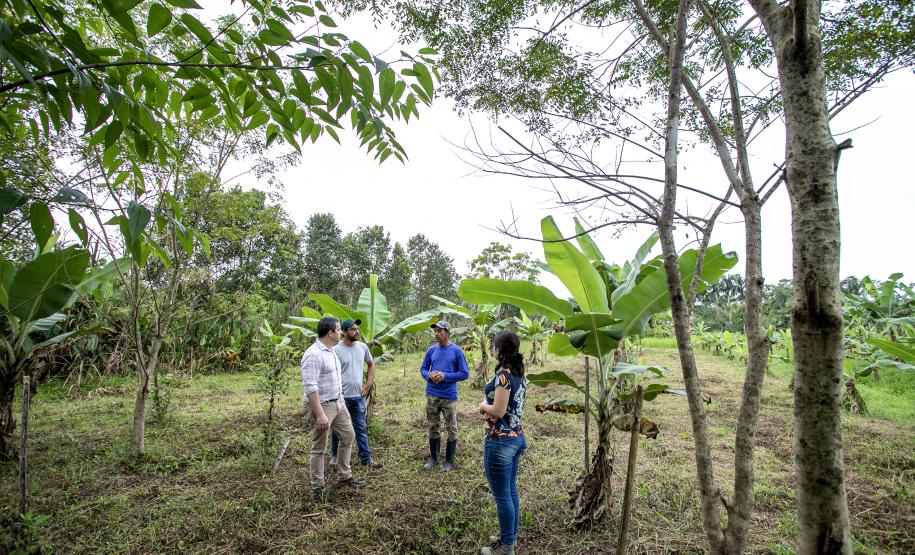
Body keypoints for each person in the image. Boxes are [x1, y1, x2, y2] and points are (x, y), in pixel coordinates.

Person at [301, 316, 366, 501]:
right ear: (330, 333)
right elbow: (311, 387)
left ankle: (345, 475)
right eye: (338, 330)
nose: (340, 333)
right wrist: (320, 414)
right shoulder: (313, 354)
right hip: (322, 405)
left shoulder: (331, 351)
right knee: (319, 447)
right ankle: (317, 487)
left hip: (338, 402)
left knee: (348, 436)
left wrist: (341, 400)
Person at [478, 330, 527, 555]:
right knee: (510, 490)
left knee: (502, 495)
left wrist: (483, 406)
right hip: (516, 437)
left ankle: (507, 547)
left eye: (494, 346)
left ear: (499, 350)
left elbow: (498, 410)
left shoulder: (504, 376)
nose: (492, 349)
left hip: (500, 442)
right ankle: (510, 535)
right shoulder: (519, 374)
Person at [330, 318, 383, 469]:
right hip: (341, 397)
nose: (357, 331)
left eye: (357, 329)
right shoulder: (336, 350)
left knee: (361, 428)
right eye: (353, 329)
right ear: (344, 332)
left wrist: (368, 383)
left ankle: (366, 458)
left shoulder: (362, 347)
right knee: (337, 430)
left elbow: (371, 364)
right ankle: (335, 457)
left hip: (358, 396)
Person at [419, 320, 469, 471]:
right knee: (433, 426)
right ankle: (434, 458)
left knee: (451, 427)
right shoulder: (431, 350)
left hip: (448, 396)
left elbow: (464, 373)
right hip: (432, 395)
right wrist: (429, 375)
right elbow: (423, 369)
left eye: (440, 331)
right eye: (436, 331)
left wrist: (445, 376)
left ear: (448, 333)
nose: (437, 334)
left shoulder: (457, 351)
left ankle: (449, 461)